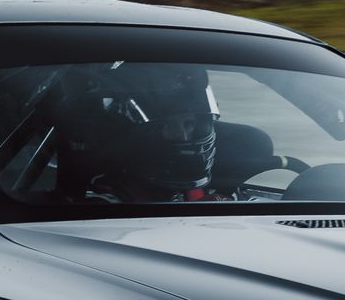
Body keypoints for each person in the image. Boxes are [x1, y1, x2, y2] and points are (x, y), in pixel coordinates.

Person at [54, 62, 224, 202]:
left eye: (189, 124)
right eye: (167, 127)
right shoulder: (102, 205)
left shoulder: (203, 192)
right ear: (133, 135)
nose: (184, 137)